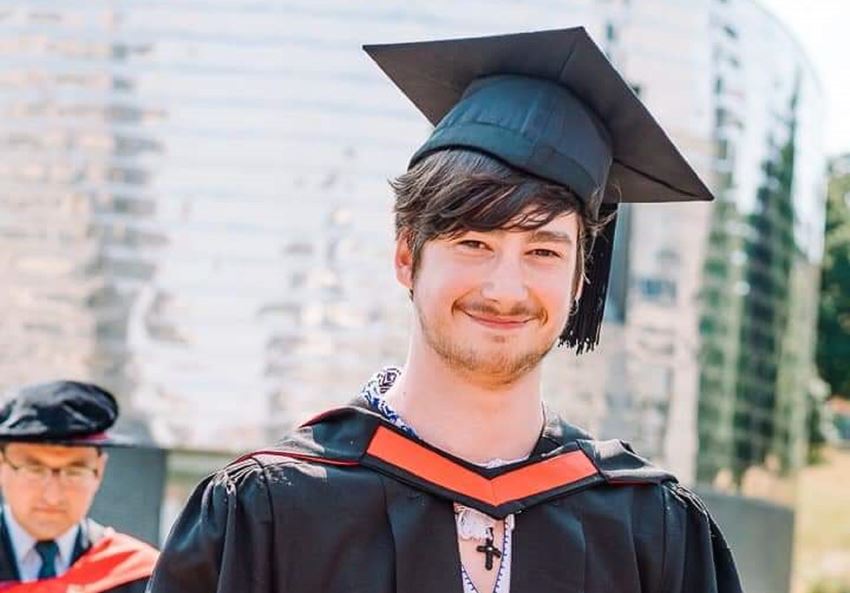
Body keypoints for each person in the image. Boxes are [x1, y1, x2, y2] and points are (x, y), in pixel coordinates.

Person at [149, 28, 744, 593]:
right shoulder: (269, 510)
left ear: (581, 279)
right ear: (407, 255)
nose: (506, 288)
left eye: (542, 251)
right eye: (474, 243)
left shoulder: (652, 529)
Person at [0, 381, 158, 592]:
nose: (53, 496)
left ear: (99, 471)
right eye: (34, 470)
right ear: (2, 465)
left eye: (74, 472)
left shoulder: (143, 577)